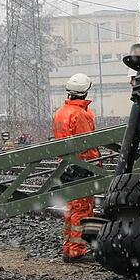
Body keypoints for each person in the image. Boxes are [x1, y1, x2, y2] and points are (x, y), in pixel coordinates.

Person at [53, 73, 100, 262]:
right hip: (80, 167)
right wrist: (96, 164)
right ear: (85, 91)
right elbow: (87, 144)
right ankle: (76, 252)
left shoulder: (61, 112)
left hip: (65, 166)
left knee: (71, 209)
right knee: (82, 210)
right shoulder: (79, 114)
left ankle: (68, 248)